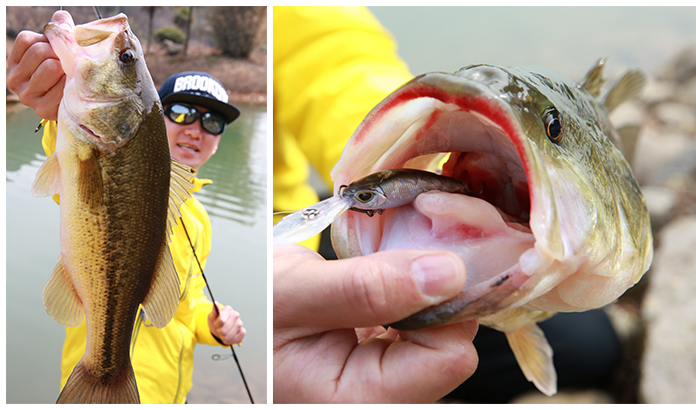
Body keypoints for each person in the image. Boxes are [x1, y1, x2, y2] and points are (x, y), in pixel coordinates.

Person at [271, 7, 621, 403]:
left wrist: (418, 150)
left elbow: (331, 58)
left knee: (588, 348)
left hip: (310, 224)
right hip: (275, 255)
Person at [6, 12, 247, 403]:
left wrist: (213, 327)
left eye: (212, 122)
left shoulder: (200, 221)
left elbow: (183, 305)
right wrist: (52, 112)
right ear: (154, 116)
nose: (195, 129)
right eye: (181, 112)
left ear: (219, 140)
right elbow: (70, 159)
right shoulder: (87, 143)